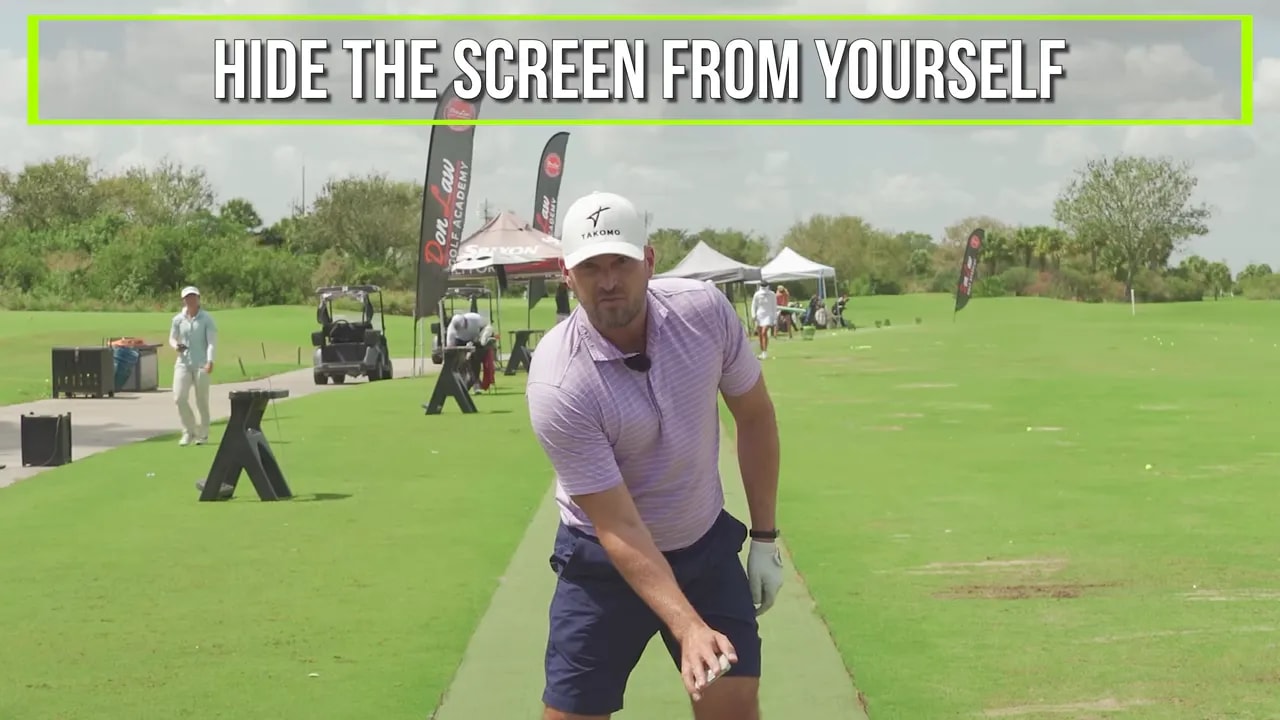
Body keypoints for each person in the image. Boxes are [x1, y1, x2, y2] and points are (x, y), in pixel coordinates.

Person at [526, 191, 784, 720]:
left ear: (649, 260)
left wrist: (763, 538)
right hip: (603, 563)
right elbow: (618, 525)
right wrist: (687, 626)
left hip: (702, 546)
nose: (608, 281)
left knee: (734, 703)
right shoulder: (558, 381)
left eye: (620, 262)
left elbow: (755, 415)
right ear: (566, 276)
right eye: (590, 267)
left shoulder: (705, 313)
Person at [169, 286, 217, 446]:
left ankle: (203, 434)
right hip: (183, 362)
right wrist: (176, 346)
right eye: (187, 297)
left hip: (201, 363)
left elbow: (211, 342)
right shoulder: (178, 319)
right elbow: (172, 338)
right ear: (183, 300)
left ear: (198, 298)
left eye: (193, 297)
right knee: (179, 398)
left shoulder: (206, 318)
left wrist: (210, 360)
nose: (190, 300)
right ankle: (189, 431)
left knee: (201, 400)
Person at [446, 311, 496, 392]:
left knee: (475, 359)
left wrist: (482, 337)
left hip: (477, 339)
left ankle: (475, 382)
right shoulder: (451, 329)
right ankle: (462, 384)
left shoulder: (474, 318)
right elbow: (450, 345)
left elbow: (488, 326)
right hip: (461, 341)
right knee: (459, 362)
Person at [749, 282, 777, 360]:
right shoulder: (757, 294)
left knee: (764, 332)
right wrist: (753, 315)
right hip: (759, 315)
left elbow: (774, 306)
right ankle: (762, 351)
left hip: (768, 315)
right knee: (760, 334)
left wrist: (774, 319)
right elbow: (753, 305)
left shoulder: (772, 294)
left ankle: (765, 352)